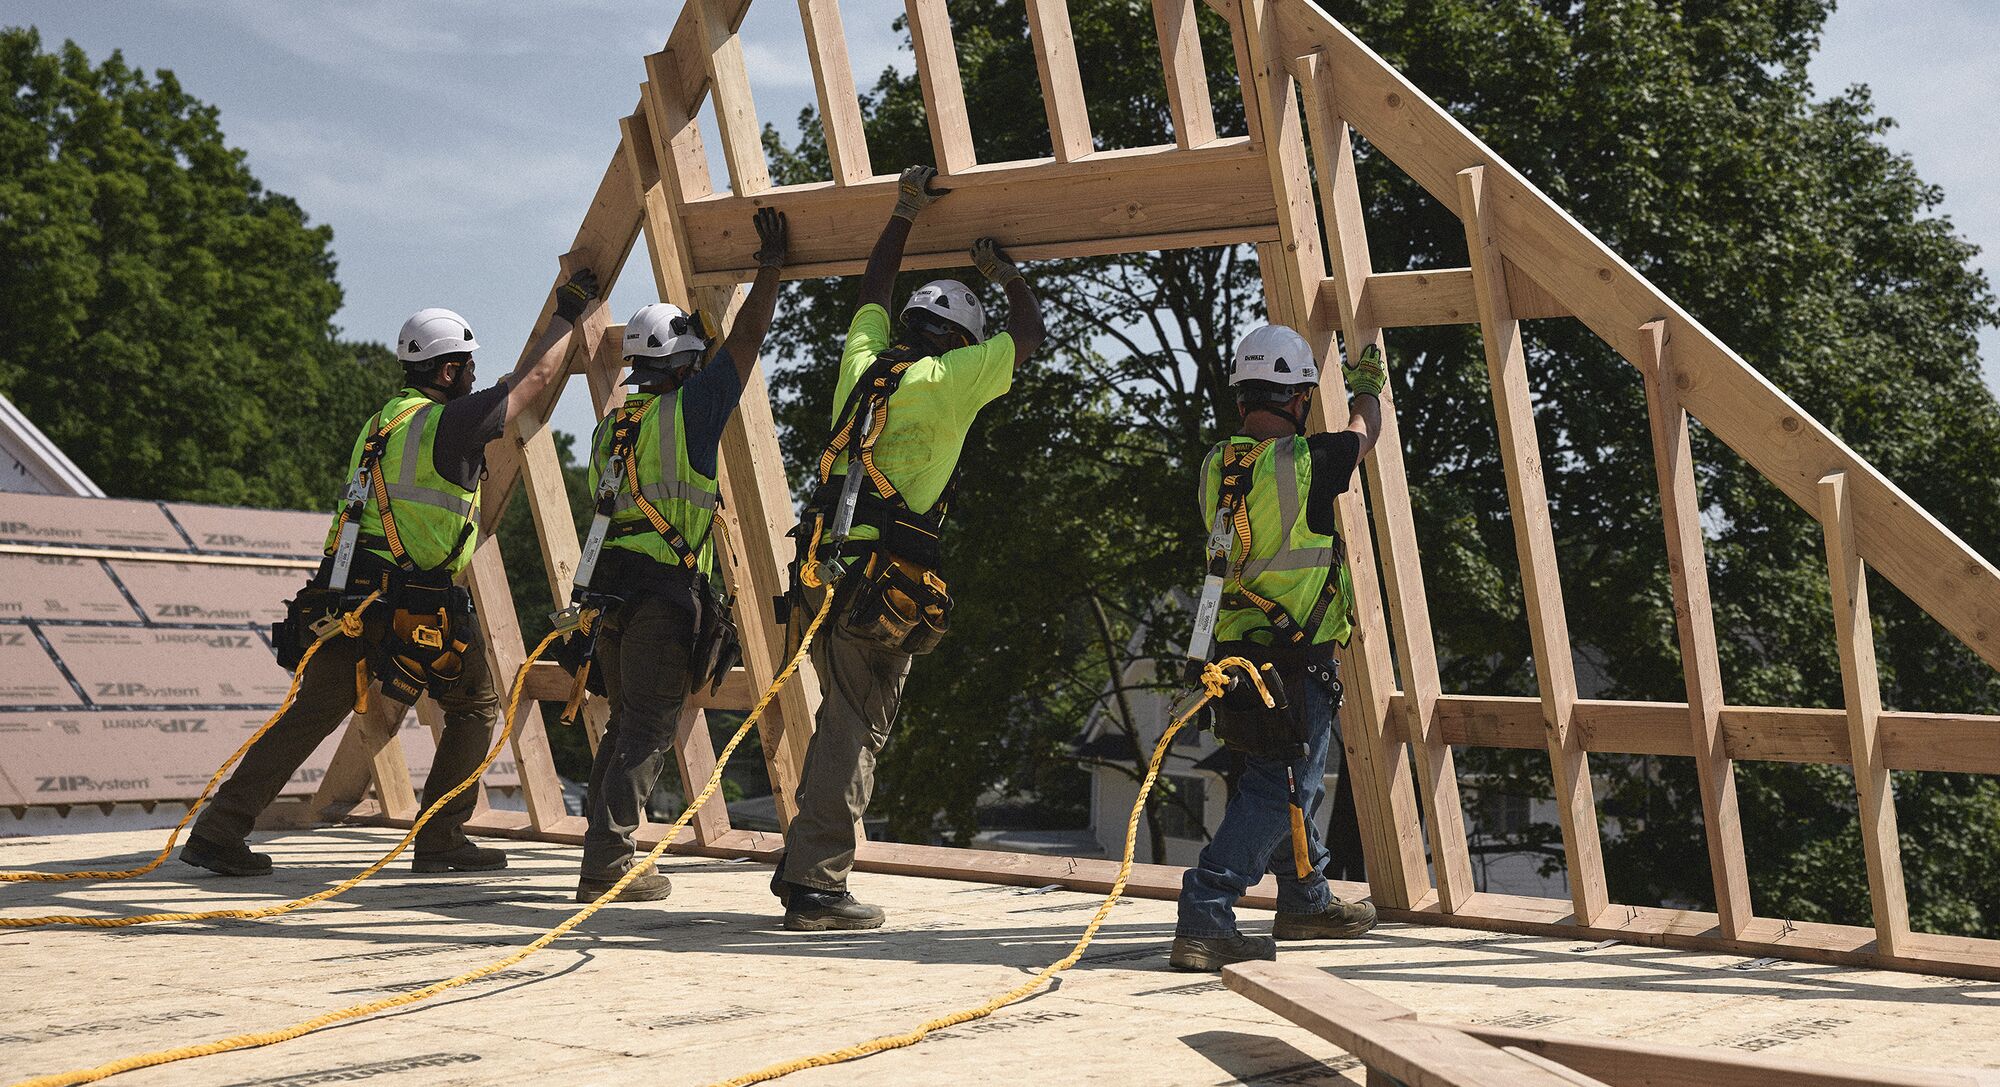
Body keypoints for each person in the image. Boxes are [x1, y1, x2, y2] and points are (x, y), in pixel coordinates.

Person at [180, 268, 602, 877]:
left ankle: (218, 832)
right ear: (449, 371)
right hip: (416, 600)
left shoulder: (383, 421)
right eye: (468, 367)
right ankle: (439, 840)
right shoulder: (447, 423)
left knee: (309, 713)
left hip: (346, 592)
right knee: (477, 705)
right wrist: (568, 313)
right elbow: (533, 379)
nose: (475, 377)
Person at [770, 165, 1044, 931]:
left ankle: (802, 866)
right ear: (959, 340)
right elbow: (1030, 338)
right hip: (876, 588)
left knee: (838, 724)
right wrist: (1011, 276)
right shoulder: (950, 377)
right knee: (855, 734)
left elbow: (871, 291)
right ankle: (818, 886)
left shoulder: (863, 369)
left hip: (822, 573)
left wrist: (904, 214)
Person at [571, 209, 790, 904]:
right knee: (649, 722)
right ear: (683, 359)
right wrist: (772, 269)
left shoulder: (613, 426)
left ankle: (603, 849)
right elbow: (749, 339)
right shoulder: (691, 411)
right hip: (663, 594)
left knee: (630, 716)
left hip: (608, 594)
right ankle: (608, 860)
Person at [1170, 326, 1388, 971]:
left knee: (1286, 780)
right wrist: (1367, 389)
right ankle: (1205, 915)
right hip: (1294, 657)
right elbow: (1362, 431)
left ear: (1242, 397)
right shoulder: (1306, 460)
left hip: (1237, 652)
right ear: (1298, 399)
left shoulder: (1218, 463)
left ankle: (1305, 898)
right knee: (1279, 784)